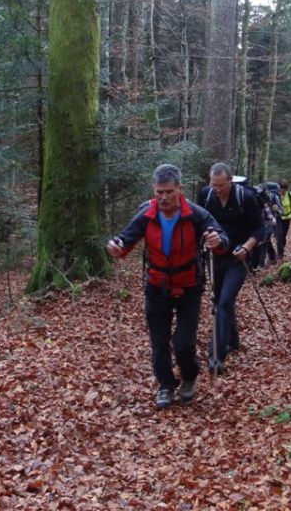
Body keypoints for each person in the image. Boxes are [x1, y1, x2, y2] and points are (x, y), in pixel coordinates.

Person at [107, 164, 228, 410]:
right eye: (159, 192)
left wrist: (216, 240)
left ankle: (190, 376)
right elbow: (125, 240)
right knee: (159, 342)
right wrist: (117, 247)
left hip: (189, 287)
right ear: (154, 190)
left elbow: (222, 239)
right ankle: (165, 385)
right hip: (156, 286)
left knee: (183, 342)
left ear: (179, 189)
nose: (163, 197)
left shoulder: (195, 214)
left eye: (169, 192)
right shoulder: (146, 215)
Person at [196, 162, 264, 375]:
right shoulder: (206, 196)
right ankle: (233, 340)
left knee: (224, 301)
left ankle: (216, 355)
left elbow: (260, 228)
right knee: (220, 299)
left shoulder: (246, 198)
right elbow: (198, 223)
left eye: (220, 185)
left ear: (230, 180)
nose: (216, 189)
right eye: (213, 184)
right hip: (216, 258)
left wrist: (246, 247)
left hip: (240, 257)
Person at [277, 180, 291, 260]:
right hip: (278, 218)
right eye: (281, 189)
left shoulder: (290, 195)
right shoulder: (276, 195)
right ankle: (280, 254)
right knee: (279, 235)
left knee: (283, 236)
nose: (282, 191)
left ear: (286, 189)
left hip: (287, 218)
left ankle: (281, 250)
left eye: (284, 189)